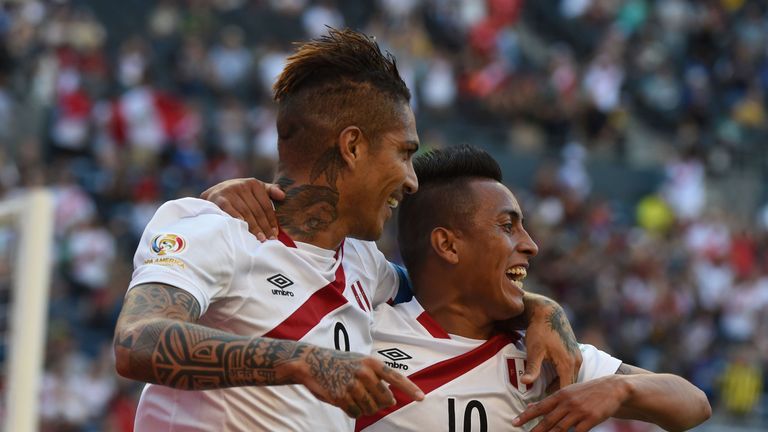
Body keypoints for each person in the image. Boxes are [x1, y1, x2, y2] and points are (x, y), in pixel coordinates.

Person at [114, 28, 579, 431]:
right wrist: (303, 360)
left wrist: (541, 310)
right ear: (353, 146)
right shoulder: (217, 229)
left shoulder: (365, 268)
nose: (412, 180)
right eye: (403, 153)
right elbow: (138, 340)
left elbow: (460, 285)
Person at [210, 145, 712, 431]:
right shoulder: (362, 333)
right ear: (448, 245)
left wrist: (618, 388)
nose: (531, 245)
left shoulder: (544, 355)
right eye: (508, 226)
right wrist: (229, 204)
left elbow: (692, 405)